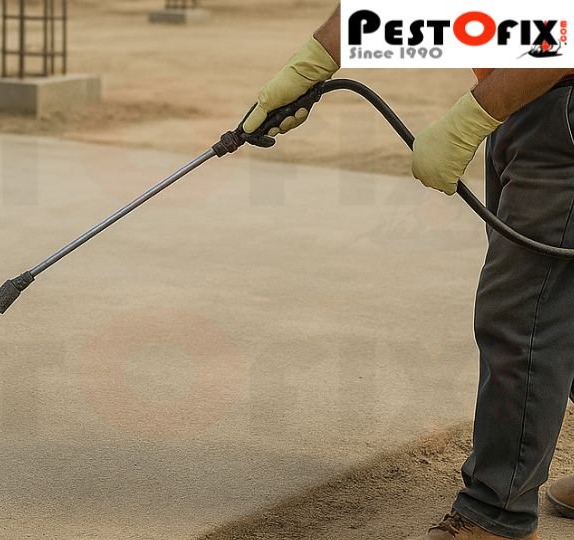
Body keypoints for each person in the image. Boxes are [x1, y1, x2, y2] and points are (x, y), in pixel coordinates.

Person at [244, 5, 574, 540]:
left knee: (525, 314)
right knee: (560, 298)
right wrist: (310, 65)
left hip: (557, 104)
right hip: (529, 97)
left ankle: (496, 515)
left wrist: (473, 116)